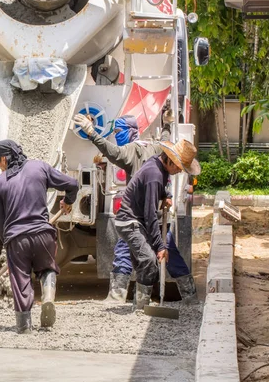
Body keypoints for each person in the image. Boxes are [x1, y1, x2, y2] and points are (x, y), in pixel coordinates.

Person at [73, 111, 197, 305]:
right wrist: (165, 124)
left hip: (143, 213)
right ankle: (183, 296)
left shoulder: (132, 152)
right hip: (140, 214)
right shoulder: (156, 147)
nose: (116, 134)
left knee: (138, 249)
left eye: (118, 131)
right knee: (157, 249)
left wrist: (92, 133)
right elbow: (165, 142)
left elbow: (110, 150)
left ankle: (121, 295)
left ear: (131, 131)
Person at [0, 139, 79, 334]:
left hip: (17, 238)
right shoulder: (39, 168)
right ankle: (48, 295)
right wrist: (68, 200)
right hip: (43, 234)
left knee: (21, 280)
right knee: (47, 268)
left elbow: (0, 222)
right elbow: (72, 184)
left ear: (4, 159)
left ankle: (24, 326)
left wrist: (9, 246)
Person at [114, 139, 200, 310]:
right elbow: (150, 214)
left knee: (146, 260)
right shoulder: (154, 174)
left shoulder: (159, 166)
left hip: (139, 220)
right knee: (148, 259)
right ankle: (141, 306)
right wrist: (160, 246)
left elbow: (160, 189)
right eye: (177, 166)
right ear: (169, 159)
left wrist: (166, 194)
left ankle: (140, 303)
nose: (177, 171)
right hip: (130, 221)